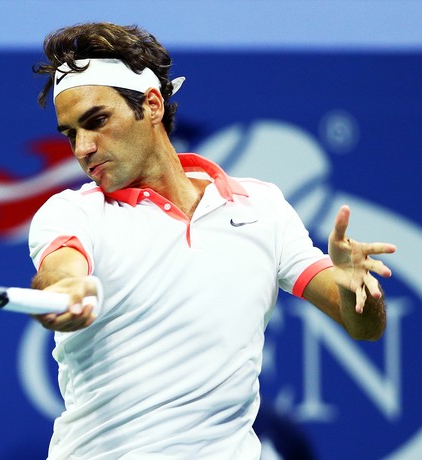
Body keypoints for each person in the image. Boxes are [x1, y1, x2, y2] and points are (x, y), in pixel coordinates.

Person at [27, 22, 396, 459]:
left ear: (151, 105)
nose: (83, 148)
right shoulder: (74, 213)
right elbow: (60, 270)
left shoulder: (263, 207)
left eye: (97, 121)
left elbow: (366, 327)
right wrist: (66, 292)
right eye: (71, 133)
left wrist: (360, 288)